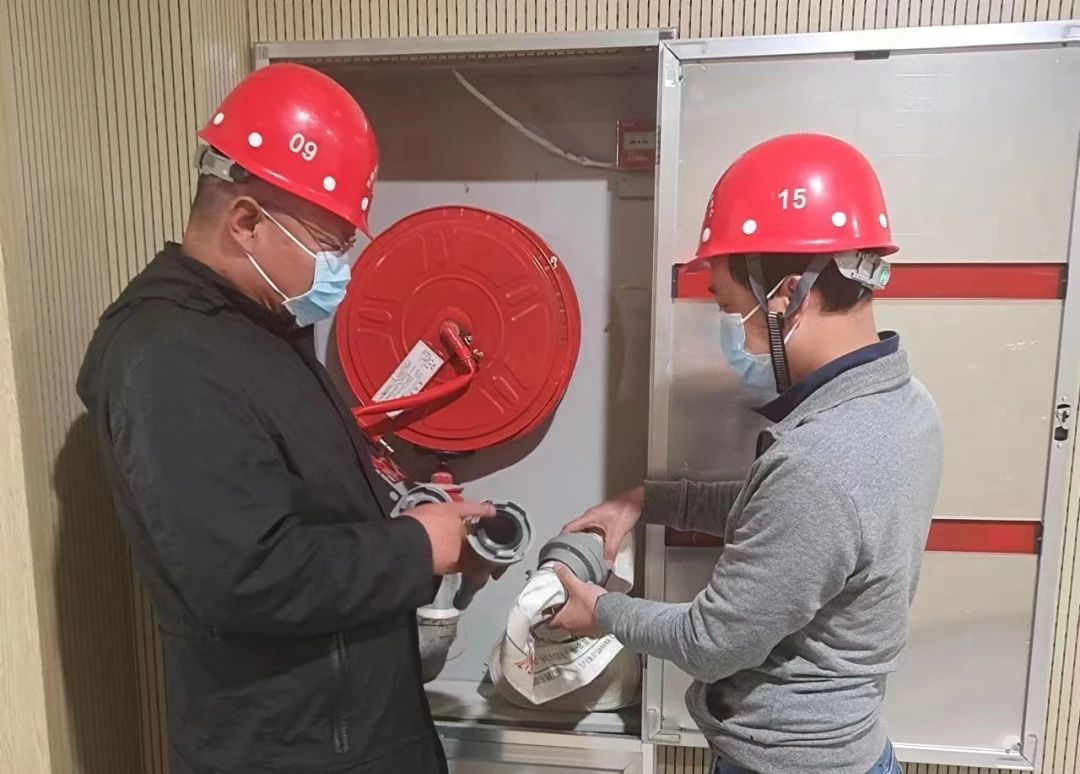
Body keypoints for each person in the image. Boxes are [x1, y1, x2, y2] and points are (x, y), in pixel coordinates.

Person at [77, 63, 492, 774]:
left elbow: (302, 510)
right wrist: (415, 548)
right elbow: (246, 575)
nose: (340, 270)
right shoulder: (170, 358)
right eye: (330, 246)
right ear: (246, 221)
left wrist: (414, 517)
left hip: (346, 736)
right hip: (288, 751)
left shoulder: (256, 332)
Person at [551, 133, 943, 774]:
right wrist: (647, 501)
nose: (738, 336)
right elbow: (786, 519)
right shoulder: (906, 404)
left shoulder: (820, 462)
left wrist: (601, 610)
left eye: (732, 310)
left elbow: (712, 642)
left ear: (786, 295)